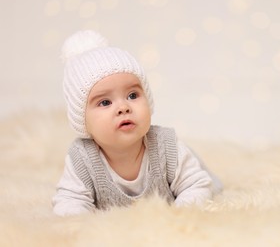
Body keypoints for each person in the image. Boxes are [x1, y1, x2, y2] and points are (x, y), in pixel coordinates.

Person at [52, 30, 222, 216]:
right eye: (105, 102)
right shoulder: (82, 158)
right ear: (82, 119)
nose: (123, 107)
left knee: (210, 186)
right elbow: (70, 202)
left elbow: (196, 185)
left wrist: (178, 219)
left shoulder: (167, 146)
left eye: (132, 95)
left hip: (182, 196)